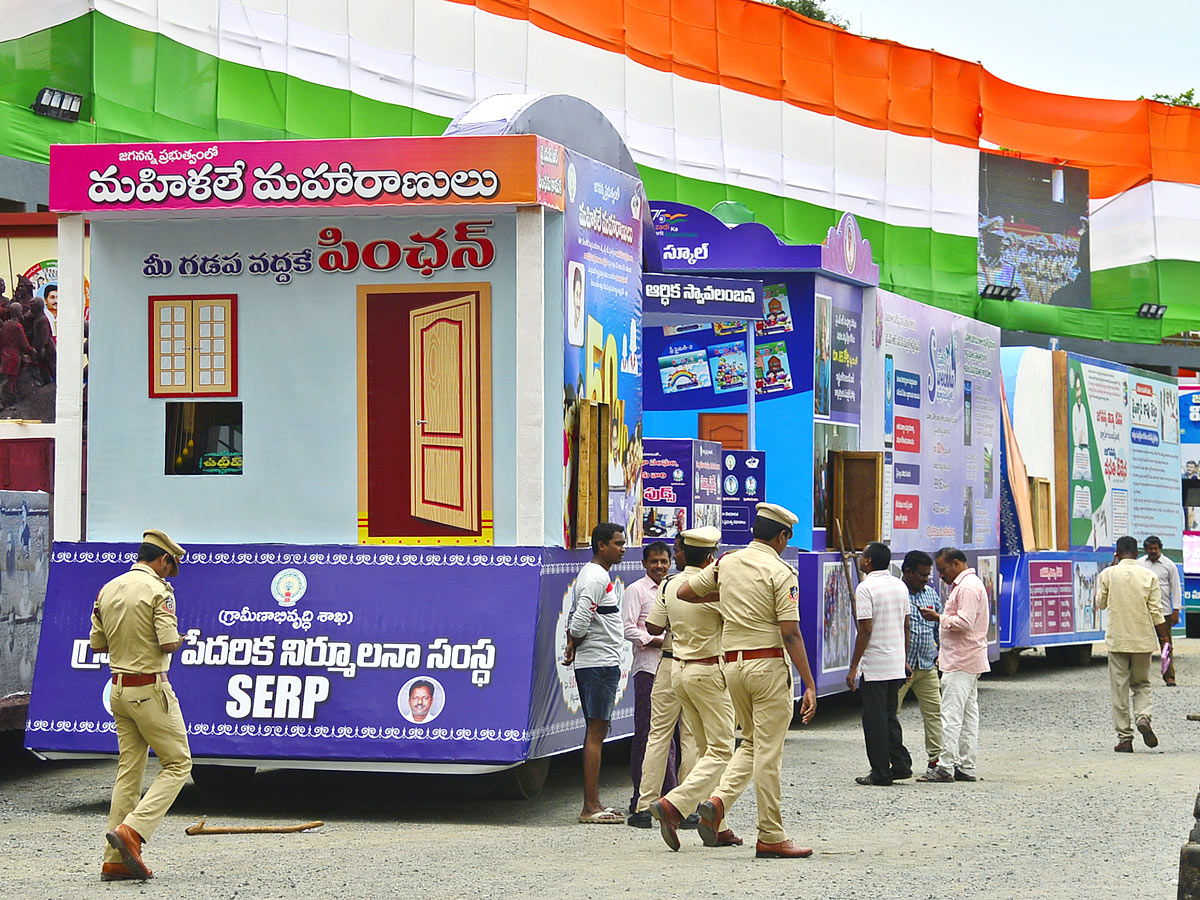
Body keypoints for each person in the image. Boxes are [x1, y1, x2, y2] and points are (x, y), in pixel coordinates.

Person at [676, 502, 818, 859]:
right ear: (782, 535)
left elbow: (686, 592)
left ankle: (717, 802)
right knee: (769, 754)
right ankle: (771, 834)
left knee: (751, 743)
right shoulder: (781, 571)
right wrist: (809, 683)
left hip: (732, 667)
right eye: (787, 536)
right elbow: (791, 633)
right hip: (767, 666)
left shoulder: (726, 562)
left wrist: (730, 596)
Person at [89, 529, 191, 882]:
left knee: (128, 773)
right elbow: (166, 644)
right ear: (163, 559)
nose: (169, 573)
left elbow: (97, 644)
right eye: (169, 566)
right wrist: (181, 639)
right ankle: (133, 831)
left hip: (118, 689)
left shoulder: (108, 589)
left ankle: (114, 860)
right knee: (178, 764)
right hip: (149, 688)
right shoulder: (159, 592)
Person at [645, 527, 740, 850]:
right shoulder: (715, 591)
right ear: (712, 558)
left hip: (678, 671)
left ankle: (716, 824)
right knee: (723, 749)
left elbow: (653, 625)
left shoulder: (670, 585)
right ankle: (675, 805)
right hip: (709, 671)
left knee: (703, 748)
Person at [563, 522, 627, 824]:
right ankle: (590, 806)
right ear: (601, 545)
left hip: (599, 661)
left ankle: (594, 802)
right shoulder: (595, 578)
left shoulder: (597, 576)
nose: (622, 548)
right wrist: (574, 639)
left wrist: (573, 641)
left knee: (596, 730)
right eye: (617, 543)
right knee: (596, 732)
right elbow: (579, 620)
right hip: (599, 664)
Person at [917, 548, 989, 784]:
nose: (940, 575)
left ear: (956, 563)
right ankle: (966, 765)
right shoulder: (969, 584)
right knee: (968, 716)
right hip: (967, 659)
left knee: (951, 715)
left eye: (943, 569)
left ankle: (945, 766)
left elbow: (965, 622)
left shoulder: (967, 587)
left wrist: (939, 618)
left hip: (961, 660)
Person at [846, 542, 912, 786]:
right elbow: (906, 625)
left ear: (869, 561)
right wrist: (904, 659)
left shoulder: (866, 588)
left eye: (863, 556)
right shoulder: (899, 585)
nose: (861, 559)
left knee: (874, 721)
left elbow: (864, 630)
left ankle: (881, 772)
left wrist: (854, 667)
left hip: (875, 665)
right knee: (889, 716)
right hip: (895, 662)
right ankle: (901, 763)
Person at [622, 540, 678, 823]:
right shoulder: (636, 590)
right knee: (647, 734)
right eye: (654, 561)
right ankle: (641, 798)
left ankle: (671, 796)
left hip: (673, 670)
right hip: (648, 669)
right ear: (644, 563)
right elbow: (629, 628)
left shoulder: (674, 589)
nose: (659, 566)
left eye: (664, 561)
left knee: (675, 735)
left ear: (671, 563)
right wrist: (657, 640)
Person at [1100, 535, 1171, 752]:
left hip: (1117, 641)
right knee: (1141, 684)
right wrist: (1165, 639)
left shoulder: (1108, 574)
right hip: (1143, 641)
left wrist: (1112, 569)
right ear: (1137, 553)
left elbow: (1100, 603)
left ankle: (1125, 739)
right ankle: (1143, 717)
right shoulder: (1149, 575)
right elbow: (1156, 612)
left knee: (1119, 689)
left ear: (1117, 553)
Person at [896, 550, 944, 777]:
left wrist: (941, 653)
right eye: (922, 574)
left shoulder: (931, 595)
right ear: (908, 572)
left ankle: (937, 761)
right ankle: (893, 761)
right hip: (899, 668)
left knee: (934, 713)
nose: (926, 579)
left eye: (928, 574)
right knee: (891, 715)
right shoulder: (896, 593)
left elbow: (940, 629)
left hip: (926, 666)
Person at [1138, 536, 1180, 686]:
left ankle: (1169, 677)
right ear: (1146, 549)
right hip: (1143, 611)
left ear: (1160, 548)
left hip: (1164, 612)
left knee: (1166, 644)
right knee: (1139, 645)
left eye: (1155, 548)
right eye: (1150, 548)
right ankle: (1139, 677)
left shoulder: (1169, 565)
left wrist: (1176, 610)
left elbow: (1175, 588)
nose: (1153, 551)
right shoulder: (1139, 564)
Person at [0, 302, 32, 406]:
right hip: (14, 357)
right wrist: (31, 350)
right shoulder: (18, 326)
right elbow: (24, 345)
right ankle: (10, 403)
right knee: (12, 382)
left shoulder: (5, 325)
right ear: (19, 312)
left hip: (5, 356)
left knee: (6, 380)